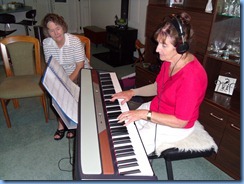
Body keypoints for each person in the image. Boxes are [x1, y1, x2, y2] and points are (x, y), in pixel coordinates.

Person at [110, 12, 208, 155]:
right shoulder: (170, 61)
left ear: (181, 47)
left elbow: (181, 121)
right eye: (158, 43)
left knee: (129, 149)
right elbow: (157, 87)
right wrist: (132, 92)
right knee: (122, 121)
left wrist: (145, 115)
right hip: (157, 108)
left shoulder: (191, 78)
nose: (157, 50)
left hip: (174, 125)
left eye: (164, 45)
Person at [42, 13, 91, 140]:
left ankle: (72, 122)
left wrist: (66, 83)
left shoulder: (74, 41)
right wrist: (58, 83)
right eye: (51, 30)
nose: (56, 33)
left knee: (71, 92)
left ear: (63, 27)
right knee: (55, 92)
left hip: (80, 72)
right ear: (48, 32)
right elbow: (51, 65)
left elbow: (80, 65)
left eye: (57, 28)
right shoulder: (47, 43)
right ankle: (62, 124)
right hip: (61, 73)